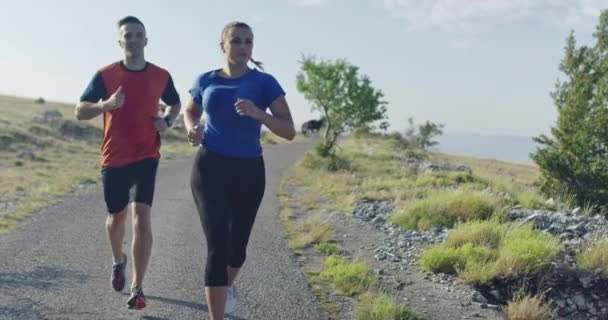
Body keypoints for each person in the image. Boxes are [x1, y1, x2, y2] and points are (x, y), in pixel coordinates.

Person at [184, 21, 295, 319]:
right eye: (236, 41)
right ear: (223, 46)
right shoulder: (205, 79)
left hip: (248, 169)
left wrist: (259, 113)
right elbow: (191, 110)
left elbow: (289, 131)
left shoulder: (265, 83)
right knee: (217, 244)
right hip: (210, 166)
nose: (243, 47)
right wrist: (192, 127)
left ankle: (226, 286)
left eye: (248, 41)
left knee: (237, 250)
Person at [75, 16, 181, 310]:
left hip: (147, 155)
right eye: (128, 35)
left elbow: (174, 102)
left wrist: (168, 122)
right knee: (116, 219)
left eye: (138, 35)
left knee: (141, 218)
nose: (133, 39)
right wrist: (105, 105)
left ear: (146, 40)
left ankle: (138, 287)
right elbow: (80, 111)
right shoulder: (106, 75)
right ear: (120, 41)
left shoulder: (161, 75)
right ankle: (117, 260)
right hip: (114, 157)